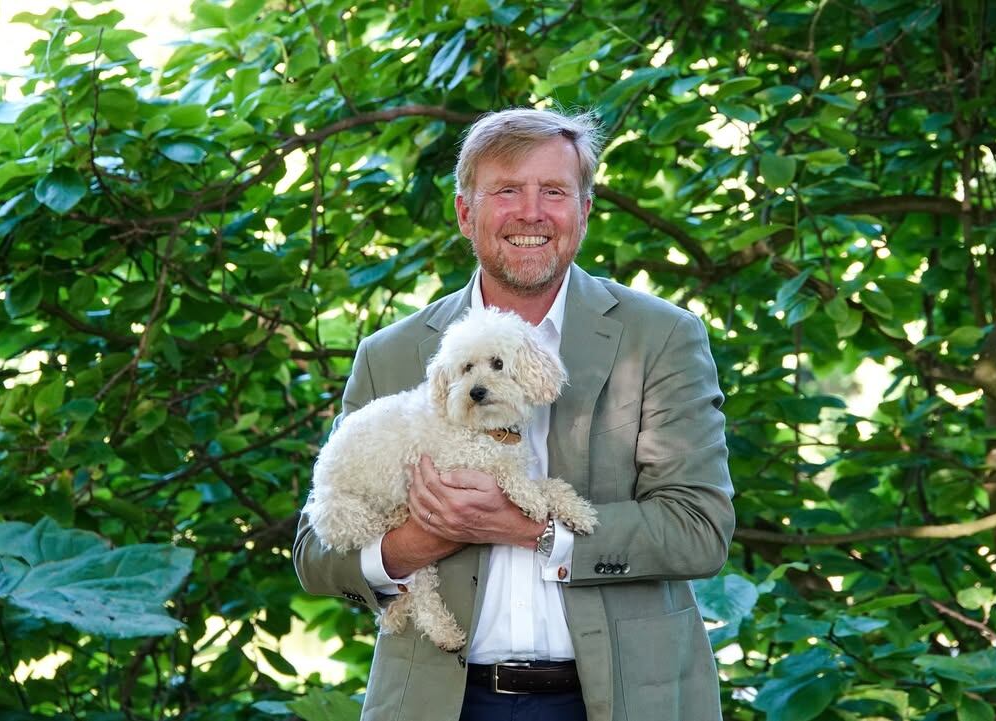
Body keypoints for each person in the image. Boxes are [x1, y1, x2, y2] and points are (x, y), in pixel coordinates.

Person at [293, 108, 736, 721]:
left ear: (583, 209)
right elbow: (316, 556)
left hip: (624, 697)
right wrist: (418, 540)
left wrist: (528, 527)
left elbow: (699, 529)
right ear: (464, 213)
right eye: (506, 191)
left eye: (553, 191)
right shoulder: (392, 354)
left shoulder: (659, 337)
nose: (531, 213)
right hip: (440, 702)